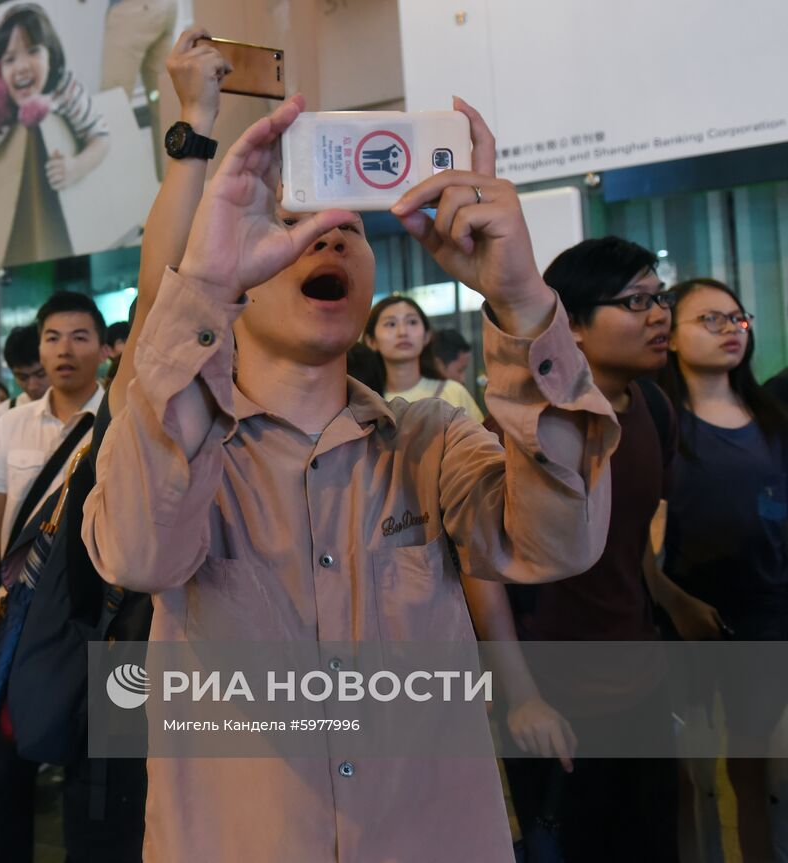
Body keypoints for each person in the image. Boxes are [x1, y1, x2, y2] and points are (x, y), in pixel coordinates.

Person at [82, 90, 625, 861]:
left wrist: (520, 300)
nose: (327, 237)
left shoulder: (431, 439)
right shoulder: (181, 441)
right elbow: (138, 556)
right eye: (294, 223)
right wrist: (202, 285)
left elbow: (558, 545)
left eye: (351, 228)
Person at [488, 237, 724, 862]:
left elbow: (627, 539)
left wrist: (672, 600)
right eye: (635, 301)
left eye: (660, 298)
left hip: (641, 680)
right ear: (576, 329)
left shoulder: (651, 407)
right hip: (555, 698)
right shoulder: (527, 429)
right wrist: (522, 697)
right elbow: (481, 570)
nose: (659, 315)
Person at [0, 291, 109, 862]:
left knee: (98, 771)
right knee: (7, 768)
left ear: (103, 349)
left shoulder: (124, 421)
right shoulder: (11, 424)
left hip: (105, 621)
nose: (64, 350)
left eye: (79, 337)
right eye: (52, 338)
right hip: (17, 619)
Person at [658, 277, 788, 862]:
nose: (730, 330)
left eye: (737, 318)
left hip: (765, 614)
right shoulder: (659, 423)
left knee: (757, 771)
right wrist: (674, 601)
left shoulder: (772, 417)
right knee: (687, 773)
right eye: (709, 320)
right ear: (673, 338)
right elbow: (641, 535)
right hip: (683, 620)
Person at [0, 3, 110, 192]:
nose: (22, 67)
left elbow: (101, 137)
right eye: (9, 59)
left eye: (33, 51)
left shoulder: (64, 89)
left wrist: (76, 168)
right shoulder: (2, 101)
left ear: (51, 54)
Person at [365, 295, 484, 419]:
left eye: (412, 322)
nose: (403, 332)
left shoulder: (453, 391)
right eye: (391, 324)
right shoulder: (363, 402)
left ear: (427, 336)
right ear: (371, 341)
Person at [101, 0, 178, 179]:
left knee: (112, 106)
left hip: (133, 9)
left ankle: (120, 191)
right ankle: (175, 194)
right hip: (165, 7)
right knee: (165, 108)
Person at [0, 325, 50, 425]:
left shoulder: (76, 408)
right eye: (22, 377)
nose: (32, 386)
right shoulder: (4, 413)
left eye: (41, 374)